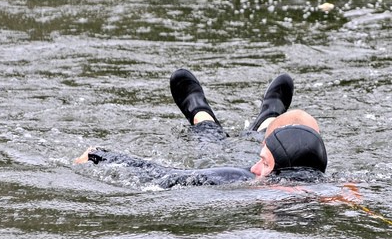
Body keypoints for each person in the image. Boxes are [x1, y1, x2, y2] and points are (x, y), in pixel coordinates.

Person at [74, 69, 328, 188]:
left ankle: (202, 114)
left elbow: (164, 175)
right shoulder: (322, 185)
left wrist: (101, 156)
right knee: (218, 147)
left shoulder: (241, 177)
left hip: (242, 165)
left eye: (262, 161)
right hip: (256, 162)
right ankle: (268, 118)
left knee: (213, 145)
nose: (253, 166)